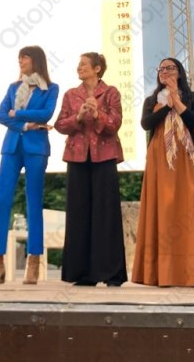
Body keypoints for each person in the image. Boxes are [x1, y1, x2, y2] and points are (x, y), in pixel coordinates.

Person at [131, 58, 194, 287]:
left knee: (188, 206)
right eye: (161, 69)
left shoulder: (193, 98)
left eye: (170, 68)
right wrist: (167, 106)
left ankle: (192, 271)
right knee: (163, 207)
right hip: (160, 157)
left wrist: (176, 101)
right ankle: (160, 272)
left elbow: (193, 121)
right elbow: (146, 124)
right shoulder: (152, 100)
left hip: (186, 157)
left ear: (179, 72)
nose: (164, 72)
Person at [54, 52, 127, 287]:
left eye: (84, 64)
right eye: (79, 64)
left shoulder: (111, 92)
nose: (79, 67)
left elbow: (115, 124)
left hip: (105, 157)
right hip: (77, 157)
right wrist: (78, 116)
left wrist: (97, 114)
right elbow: (60, 125)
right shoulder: (70, 94)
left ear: (97, 68)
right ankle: (83, 273)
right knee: (78, 214)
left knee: (106, 214)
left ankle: (111, 273)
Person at [0, 45, 58, 285]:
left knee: (33, 202)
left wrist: (16, 114)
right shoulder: (13, 87)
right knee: (3, 201)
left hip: (36, 149)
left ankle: (33, 261)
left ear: (36, 60)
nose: (20, 61)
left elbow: (46, 114)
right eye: (19, 58)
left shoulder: (51, 88)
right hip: (11, 148)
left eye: (24, 58)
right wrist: (25, 125)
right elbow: (1, 115)